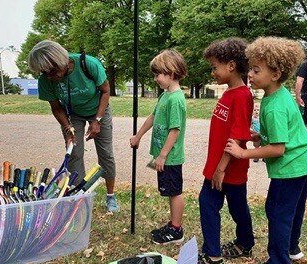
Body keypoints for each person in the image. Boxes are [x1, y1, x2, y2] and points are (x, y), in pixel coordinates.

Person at [225, 36, 307, 264]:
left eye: (256, 70)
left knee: (277, 212)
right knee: (293, 210)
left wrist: (244, 152)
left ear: (275, 74)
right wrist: (260, 135)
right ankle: (291, 248)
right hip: (304, 162)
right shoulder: (277, 95)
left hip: (291, 168)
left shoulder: (274, 105)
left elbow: (278, 149)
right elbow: (281, 134)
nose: (251, 74)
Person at [28, 40, 119, 212]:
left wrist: (97, 120)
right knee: (74, 155)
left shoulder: (88, 64)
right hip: (73, 114)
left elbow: (106, 91)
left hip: (98, 109)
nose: (49, 77)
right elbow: (56, 107)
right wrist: (67, 128)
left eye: (52, 71)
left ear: (61, 61)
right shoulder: (45, 80)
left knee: (105, 154)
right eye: (44, 73)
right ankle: (80, 199)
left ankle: (110, 196)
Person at [197, 37, 255, 264]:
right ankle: (221, 250)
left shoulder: (242, 95)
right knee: (209, 203)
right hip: (216, 165)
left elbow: (238, 135)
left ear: (231, 65)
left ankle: (232, 249)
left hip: (228, 168)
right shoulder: (229, 93)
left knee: (237, 207)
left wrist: (221, 168)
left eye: (214, 67)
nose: (212, 72)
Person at [130, 49, 187, 245]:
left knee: (174, 191)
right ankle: (173, 224)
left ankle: (176, 230)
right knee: (169, 190)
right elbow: (153, 117)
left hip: (170, 157)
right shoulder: (164, 96)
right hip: (163, 156)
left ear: (171, 73)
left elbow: (175, 131)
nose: (155, 79)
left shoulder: (176, 99)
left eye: (158, 74)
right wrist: (138, 136)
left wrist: (162, 155)